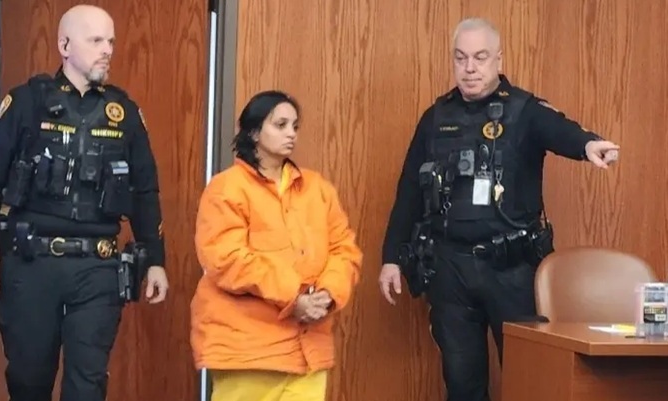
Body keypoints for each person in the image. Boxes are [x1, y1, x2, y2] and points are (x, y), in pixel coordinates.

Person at [377, 17, 619, 401]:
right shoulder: (436, 117)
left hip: (512, 269)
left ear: (498, 59)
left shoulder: (524, 109)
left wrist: (588, 144)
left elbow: (560, 130)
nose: (470, 68)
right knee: (462, 383)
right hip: (451, 269)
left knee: (529, 380)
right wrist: (391, 257)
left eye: (480, 57)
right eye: (461, 58)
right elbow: (409, 189)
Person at [0, 5, 169, 401]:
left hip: (97, 265)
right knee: (28, 379)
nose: (107, 49)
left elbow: (145, 192)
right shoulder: (26, 102)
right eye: (96, 40)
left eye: (111, 41)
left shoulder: (124, 113)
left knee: (87, 384)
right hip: (31, 263)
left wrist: (156, 260)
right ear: (64, 45)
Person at [190, 90, 363, 401]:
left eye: (295, 126)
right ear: (254, 132)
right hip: (246, 350)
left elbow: (344, 250)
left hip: (309, 350)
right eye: (280, 125)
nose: (291, 134)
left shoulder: (318, 188)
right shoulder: (226, 188)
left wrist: (327, 295)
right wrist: (294, 297)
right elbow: (227, 259)